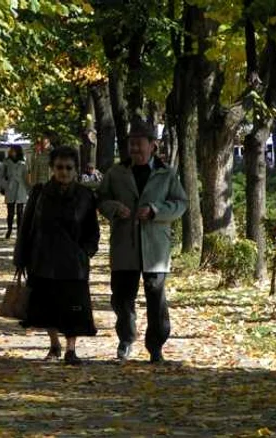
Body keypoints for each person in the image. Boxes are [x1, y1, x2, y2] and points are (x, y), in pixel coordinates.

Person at [97, 116, 188, 363]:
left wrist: (156, 211)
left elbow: (181, 204)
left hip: (155, 248)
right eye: (131, 144)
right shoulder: (116, 173)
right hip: (125, 245)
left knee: (156, 298)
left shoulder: (166, 174)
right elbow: (101, 199)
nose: (135, 149)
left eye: (140, 144)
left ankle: (156, 346)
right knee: (122, 298)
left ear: (152, 145)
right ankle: (126, 340)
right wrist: (115, 208)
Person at [14, 146, 100, 365]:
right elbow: (26, 227)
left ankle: (72, 349)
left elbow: (93, 230)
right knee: (46, 306)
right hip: (43, 260)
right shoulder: (39, 193)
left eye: (69, 168)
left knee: (73, 307)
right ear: (52, 168)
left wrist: (86, 253)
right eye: (59, 167)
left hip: (73, 264)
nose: (64, 172)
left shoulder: (85, 195)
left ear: (76, 169)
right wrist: (21, 258)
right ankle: (54, 344)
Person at [2, 145, 30, 239]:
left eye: (12, 150)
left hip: (21, 189)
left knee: (20, 212)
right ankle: (9, 229)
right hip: (10, 188)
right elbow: (2, 176)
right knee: (10, 212)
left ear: (17, 151)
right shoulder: (6, 163)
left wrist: (28, 190)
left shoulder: (23, 163)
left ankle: (19, 232)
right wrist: (5, 186)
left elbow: (26, 178)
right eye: (10, 150)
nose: (10, 152)